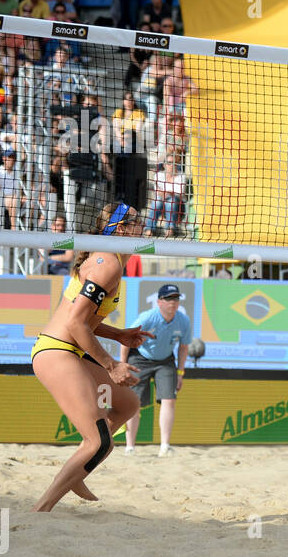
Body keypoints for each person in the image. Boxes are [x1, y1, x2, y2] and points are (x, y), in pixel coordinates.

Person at [30, 202, 150, 512]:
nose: (144, 224)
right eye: (137, 220)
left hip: (69, 351)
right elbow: (73, 323)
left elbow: (85, 321)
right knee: (99, 442)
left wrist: (119, 335)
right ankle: (41, 509)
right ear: (121, 229)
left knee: (127, 403)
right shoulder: (106, 263)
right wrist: (111, 365)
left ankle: (79, 468)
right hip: (56, 352)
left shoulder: (109, 261)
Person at [121, 283, 191, 457]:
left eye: (176, 299)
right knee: (133, 404)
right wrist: (122, 366)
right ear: (159, 302)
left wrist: (181, 373)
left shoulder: (183, 320)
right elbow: (126, 340)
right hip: (140, 358)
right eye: (168, 299)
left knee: (169, 400)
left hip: (165, 360)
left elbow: (183, 347)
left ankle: (165, 446)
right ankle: (130, 447)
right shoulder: (147, 318)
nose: (173, 302)